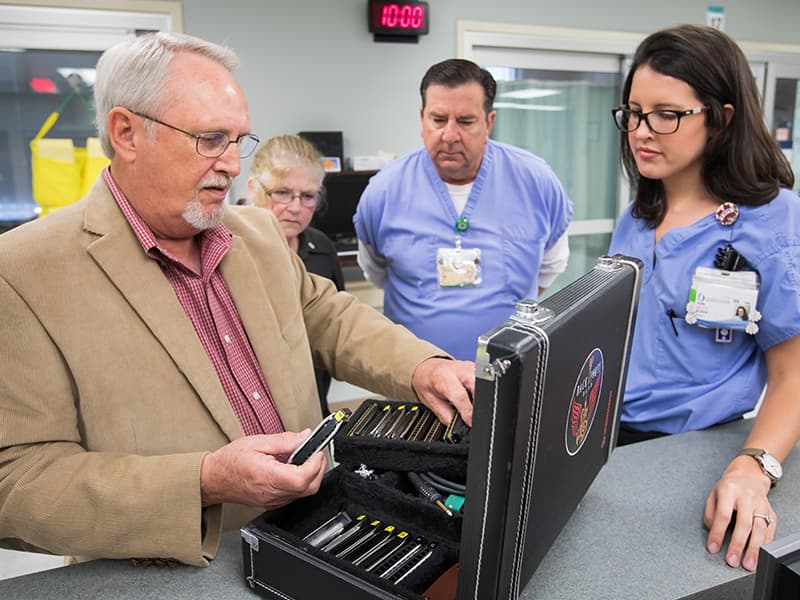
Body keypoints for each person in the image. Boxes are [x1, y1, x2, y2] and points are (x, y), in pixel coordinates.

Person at [0, 32, 474, 567]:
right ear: (127, 133)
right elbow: (16, 483)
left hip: (311, 536)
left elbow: (330, 317)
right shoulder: (23, 273)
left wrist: (424, 368)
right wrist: (204, 481)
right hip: (176, 571)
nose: (231, 164)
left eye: (238, 141)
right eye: (210, 139)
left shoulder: (258, 236)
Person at [608, 24, 800, 572]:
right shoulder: (637, 219)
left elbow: (794, 372)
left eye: (667, 114)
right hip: (612, 443)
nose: (642, 131)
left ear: (722, 118)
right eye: (634, 113)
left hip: (698, 449)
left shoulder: (774, 222)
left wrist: (754, 467)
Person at [354, 58, 574, 361]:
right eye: (438, 119)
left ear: (489, 122)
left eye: (466, 121)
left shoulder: (535, 181)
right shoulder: (384, 191)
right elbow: (376, 270)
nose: (449, 135)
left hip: (510, 371)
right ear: (422, 118)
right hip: (414, 375)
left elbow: (551, 265)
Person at [247, 134, 345, 415]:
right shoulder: (227, 249)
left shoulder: (322, 248)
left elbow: (335, 326)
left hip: (313, 403)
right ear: (254, 189)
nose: (295, 207)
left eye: (307, 196)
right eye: (282, 192)